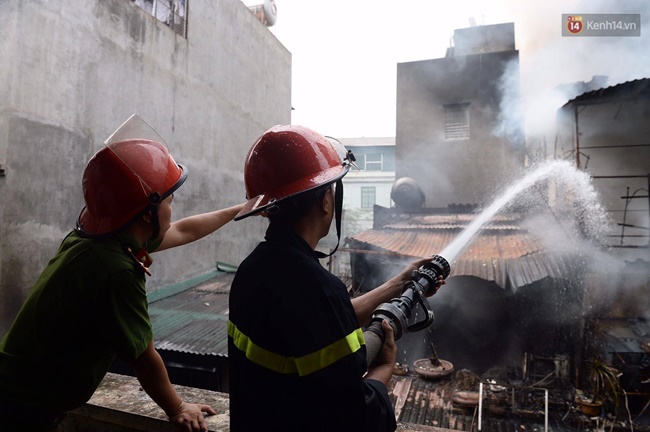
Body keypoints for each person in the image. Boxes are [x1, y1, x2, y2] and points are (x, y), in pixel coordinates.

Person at [0, 115, 244, 432]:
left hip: (16, 387)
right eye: (170, 201)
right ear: (146, 213)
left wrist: (240, 209)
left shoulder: (95, 239)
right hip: (24, 408)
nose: (173, 209)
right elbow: (144, 357)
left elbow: (184, 231)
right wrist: (178, 406)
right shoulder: (116, 270)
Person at [228, 125, 444, 432]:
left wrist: (399, 283)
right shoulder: (317, 289)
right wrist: (383, 370)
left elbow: (322, 322)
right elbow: (356, 418)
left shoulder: (252, 271)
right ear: (326, 202)